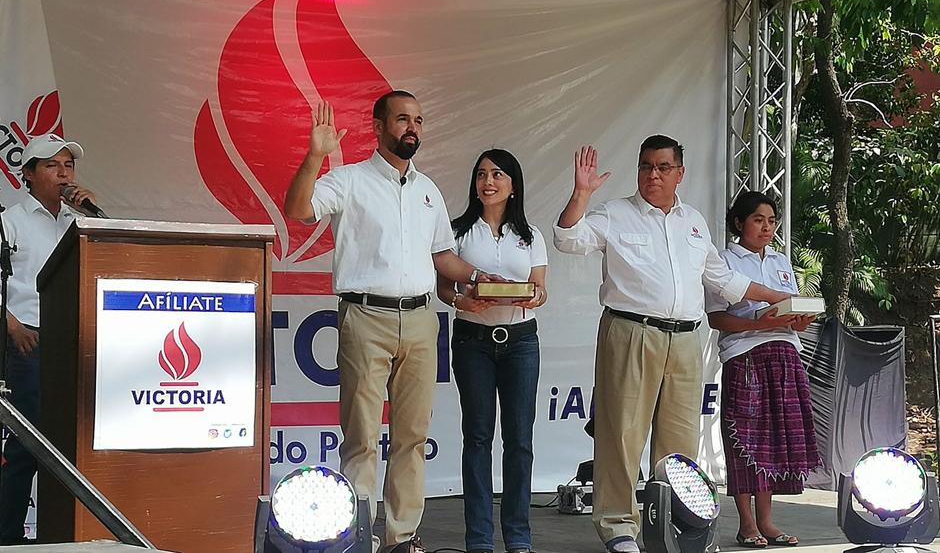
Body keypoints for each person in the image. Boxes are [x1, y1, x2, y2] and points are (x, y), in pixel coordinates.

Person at [553, 137, 790, 553]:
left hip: (684, 339)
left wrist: (779, 299)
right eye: (646, 166)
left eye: (663, 167)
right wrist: (582, 194)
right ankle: (619, 528)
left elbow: (725, 281)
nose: (653, 175)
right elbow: (568, 239)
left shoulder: (693, 222)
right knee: (621, 435)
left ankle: (679, 525)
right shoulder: (616, 213)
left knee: (680, 442)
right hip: (631, 331)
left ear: (680, 173)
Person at [284, 92, 489, 553]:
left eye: (418, 119)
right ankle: (356, 537)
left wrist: (478, 278)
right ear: (378, 127)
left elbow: (441, 257)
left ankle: (401, 538)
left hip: (420, 320)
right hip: (365, 316)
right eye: (402, 119)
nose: (412, 127)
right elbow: (297, 209)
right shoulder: (350, 179)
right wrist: (315, 155)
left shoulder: (428, 190)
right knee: (360, 437)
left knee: (412, 438)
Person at [437, 150, 547, 553]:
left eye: (498, 174)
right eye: (481, 174)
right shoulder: (457, 232)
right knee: (478, 438)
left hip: (520, 342)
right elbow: (444, 287)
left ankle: (518, 537)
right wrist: (460, 301)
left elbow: (540, 288)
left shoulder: (531, 235)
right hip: (472, 342)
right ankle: (479, 540)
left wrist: (535, 297)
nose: (488, 182)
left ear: (513, 184)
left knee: (520, 442)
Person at [706, 191, 820, 548]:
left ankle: (768, 521)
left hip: (785, 354)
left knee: (774, 440)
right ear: (739, 222)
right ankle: (746, 523)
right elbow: (716, 317)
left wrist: (799, 319)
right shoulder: (724, 260)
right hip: (746, 355)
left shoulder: (781, 261)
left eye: (772, 221)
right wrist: (757, 324)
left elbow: (794, 315)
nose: (766, 227)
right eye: (758, 219)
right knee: (746, 440)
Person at [1, 133, 96, 545]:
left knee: (71, 445)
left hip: (74, 344)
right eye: (53, 166)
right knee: (30, 445)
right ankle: (8, 535)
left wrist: (92, 215)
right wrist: (12, 327)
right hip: (29, 343)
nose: (63, 173)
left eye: (68, 166)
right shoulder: (10, 221)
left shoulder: (78, 222)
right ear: (29, 175)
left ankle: (62, 533)